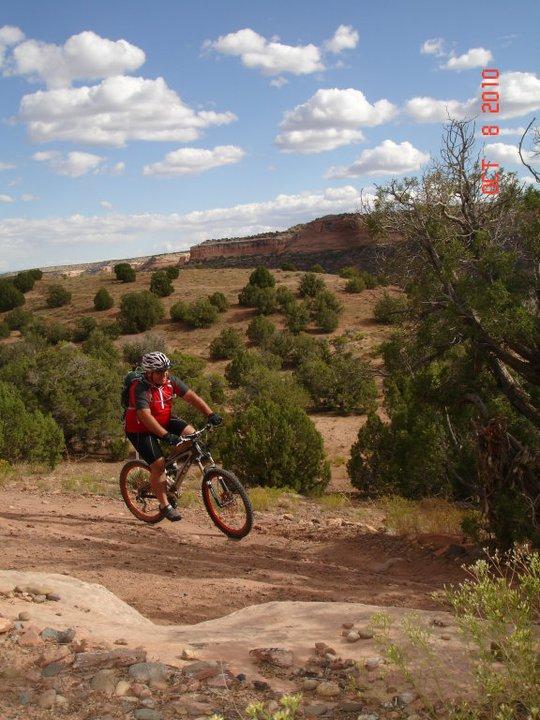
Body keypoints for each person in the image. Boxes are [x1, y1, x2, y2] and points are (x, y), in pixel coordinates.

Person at [124, 351, 222, 521]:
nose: (165, 374)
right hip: (139, 429)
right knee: (158, 464)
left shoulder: (170, 381)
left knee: (191, 436)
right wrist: (166, 436)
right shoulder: (139, 388)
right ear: (149, 372)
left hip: (164, 420)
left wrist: (210, 413)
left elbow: (191, 397)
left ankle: (170, 465)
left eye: (166, 370)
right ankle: (165, 505)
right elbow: (145, 416)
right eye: (160, 372)